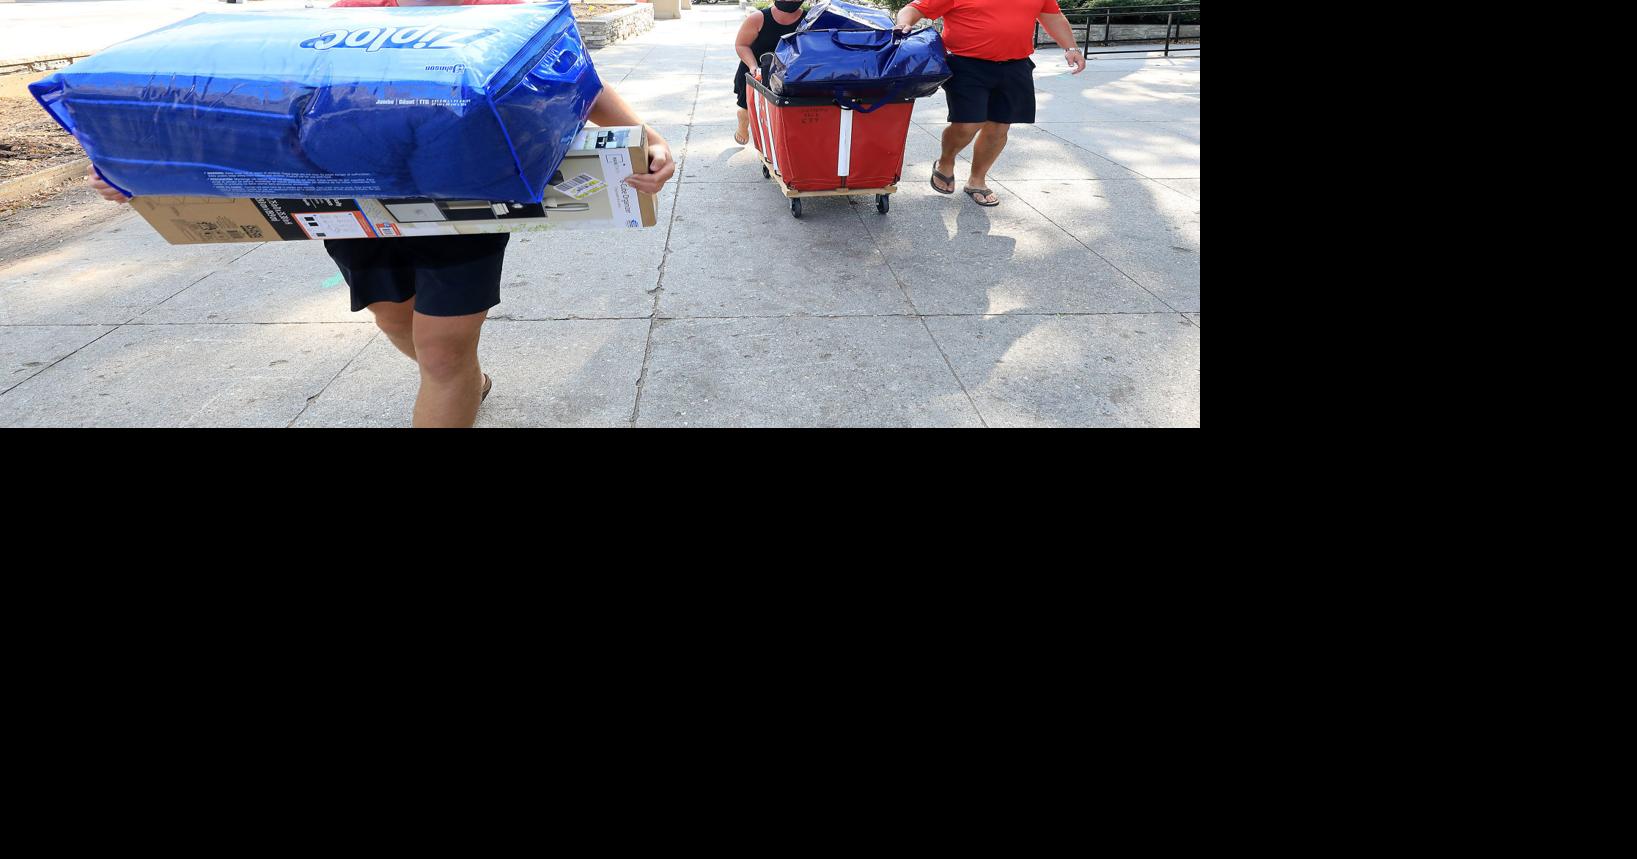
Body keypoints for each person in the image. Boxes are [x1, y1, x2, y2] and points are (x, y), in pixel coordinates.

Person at [86, 0, 676, 428]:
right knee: (395, 321)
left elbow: (580, 84)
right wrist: (131, 169)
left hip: (462, 203)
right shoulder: (354, 17)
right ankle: (466, 380)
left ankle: (453, 374)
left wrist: (647, 139)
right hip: (353, 204)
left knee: (441, 349)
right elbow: (256, 104)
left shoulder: (512, 16)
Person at [895, 0, 1085, 207]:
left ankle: (977, 181)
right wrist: (904, 24)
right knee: (967, 124)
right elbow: (915, 8)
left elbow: (1053, 17)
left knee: (999, 127)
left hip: (1016, 65)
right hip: (966, 64)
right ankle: (946, 161)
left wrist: (1071, 47)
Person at [732, 0, 805, 146]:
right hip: (756, 70)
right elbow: (741, 44)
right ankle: (744, 117)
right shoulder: (758, 18)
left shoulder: (808, 19)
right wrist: (752, 66)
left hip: (789, 76)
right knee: (751, 106)